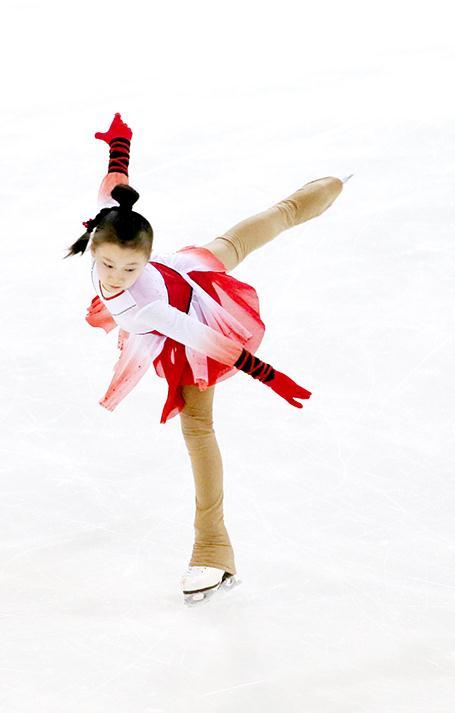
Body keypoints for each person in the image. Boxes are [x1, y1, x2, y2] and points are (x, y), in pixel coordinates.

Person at [64, 113, 350, 605]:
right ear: (96, 243)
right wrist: (119, 145)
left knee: (197, 426)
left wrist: (272, 377)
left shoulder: (149, 302)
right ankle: (313, 194)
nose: (114, 275)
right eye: (108, 263)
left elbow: (211, 341)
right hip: (181, 270)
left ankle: (214, 548)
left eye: (131, 267)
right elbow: (115, 184)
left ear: (146, 260)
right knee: (237, 241)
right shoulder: (111, 226)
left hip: (194, 310)